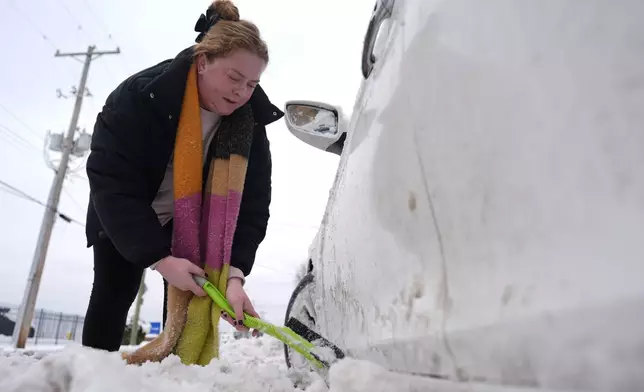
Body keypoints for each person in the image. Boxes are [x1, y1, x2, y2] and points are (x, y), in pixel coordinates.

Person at [82, 0, 283, 356]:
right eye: (234, 77)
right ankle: (93, 372)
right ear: (203, 61)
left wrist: (234, 275)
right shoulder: (142, 97)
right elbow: (110, 178)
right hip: (126, 214)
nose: (241, 92)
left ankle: (172, 375)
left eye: (252, 84)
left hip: (190, 223)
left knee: (188, 304)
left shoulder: (248, 123)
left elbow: (253, 205)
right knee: (113, 293)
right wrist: (159, 259)